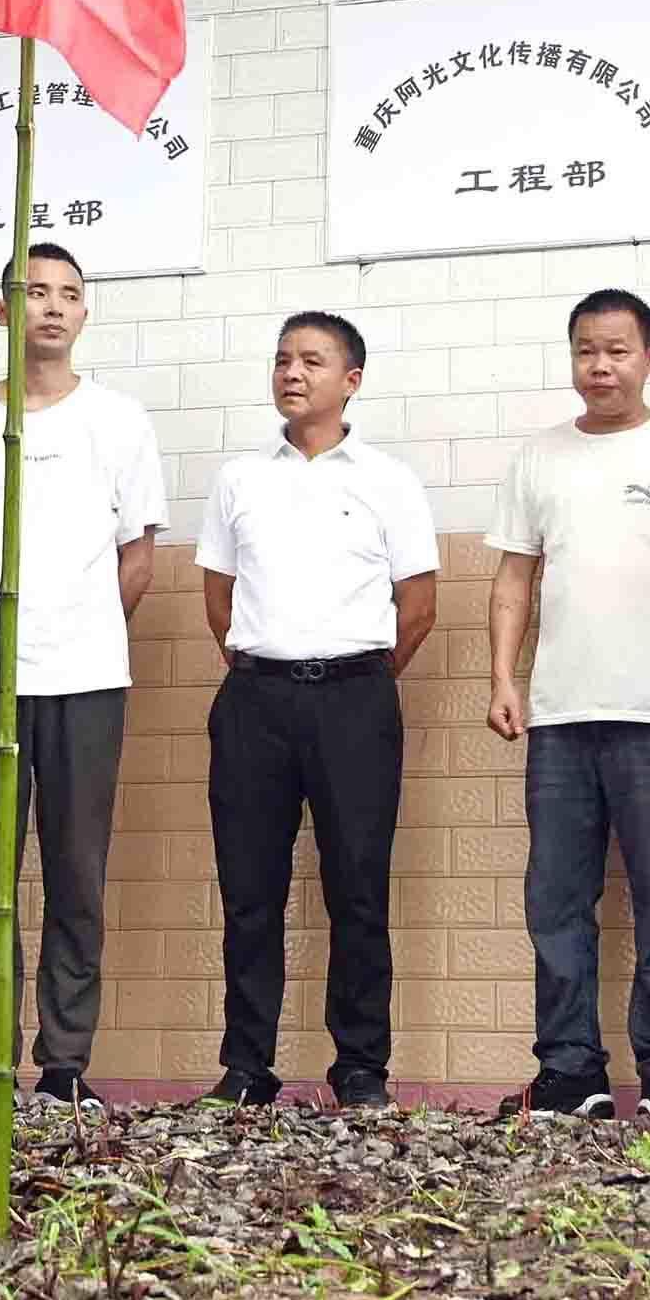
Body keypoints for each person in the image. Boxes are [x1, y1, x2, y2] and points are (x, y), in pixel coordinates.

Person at [0, 241, 166, 1114]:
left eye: (69, 293)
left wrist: (76, 629)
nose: (52, 305)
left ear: (85, 312)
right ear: (3, 309)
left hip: (88, 676)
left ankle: (64, 1062)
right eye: (33, 291)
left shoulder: (120, 420)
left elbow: (138, 559)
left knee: (77, 870)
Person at [486, 288, 650, 1123]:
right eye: (585, 351)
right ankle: (570, 1072)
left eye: (617, 350)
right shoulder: (540, 456)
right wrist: (503, 676)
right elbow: (513, 577)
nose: (600, 366)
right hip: (559, 718)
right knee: (557, 901)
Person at [192, 311, 439, 1110]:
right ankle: (246, 1066)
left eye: (312, 360)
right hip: (256, 699)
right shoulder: (239, 478)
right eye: (281, 360)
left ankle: (361, 1067)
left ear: (351, 379)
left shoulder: (389, 479)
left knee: (358, 888)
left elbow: (420, 603)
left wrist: (352, 671)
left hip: (355, 701)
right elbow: (217, 594)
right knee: (249, 891)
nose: (291, 373)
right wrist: (267, 663)